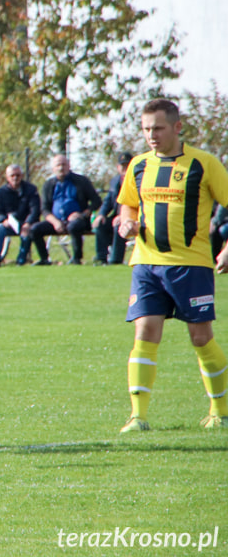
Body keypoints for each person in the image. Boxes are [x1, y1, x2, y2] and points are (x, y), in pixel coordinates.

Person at [116, 98, 228, 433]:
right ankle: (138, 416)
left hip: (190, 266)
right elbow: (127, 208)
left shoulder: (203, 164)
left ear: (178, 127)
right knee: (145, 331)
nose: (152, 135)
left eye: (159, 128)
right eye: (147, 129)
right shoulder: (138, 166)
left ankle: (220, 411)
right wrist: (126, 224)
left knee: (200, 337)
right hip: (147, 264)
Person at [30, 154, 102, 265]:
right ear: (53, 169)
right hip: (56, 222)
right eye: (58, 165)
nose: (61, 168)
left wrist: (82, 214)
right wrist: (55, 222)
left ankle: (76, 259)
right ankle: (44, 259)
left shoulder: (81, 181)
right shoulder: (48, 185)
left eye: (63, 165)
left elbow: (97, 201)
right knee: (34, 229)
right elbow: (44, 209)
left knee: (73, 226)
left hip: (78, 221)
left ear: (69, 166)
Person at [0, 164, 40, 267]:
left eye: (18, 175)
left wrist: (28, 223)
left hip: (25, 222)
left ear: (22, 176)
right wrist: (3, 220)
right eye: (12, 175)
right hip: (9, 223)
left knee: (28, 230)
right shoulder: (2, 191)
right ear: (7, 177)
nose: (15, 178)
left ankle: (21, 260)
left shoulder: (31, 190)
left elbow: (35, 210)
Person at [93, 152, 133, 265]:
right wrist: (101, 215)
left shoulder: (138, 180)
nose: (125, 169)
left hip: (132, 217)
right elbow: (108, 201)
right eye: (123, 166)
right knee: (101, 224)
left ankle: (115, 259)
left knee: (119, 226)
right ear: (118, 167)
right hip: (116, 216)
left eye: (128, 165)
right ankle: (101, 257)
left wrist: (123, 216)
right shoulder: (115, 181)